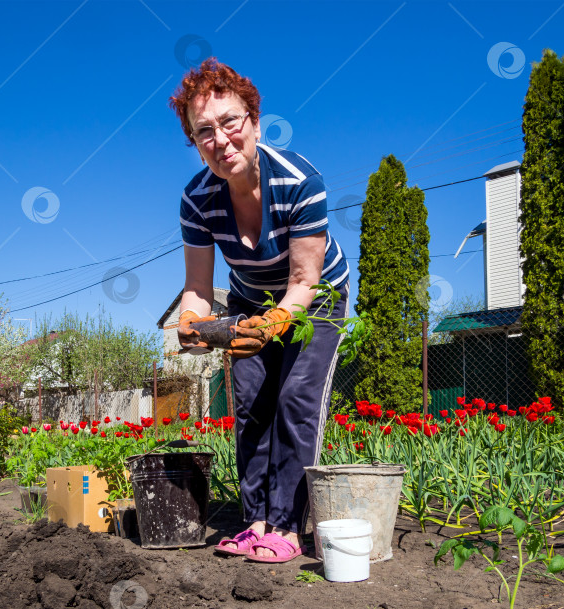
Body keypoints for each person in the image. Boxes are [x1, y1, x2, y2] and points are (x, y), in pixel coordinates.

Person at [169, 58, 349, 563]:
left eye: (230, 122)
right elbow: (199, 288)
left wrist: (274, 326)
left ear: (254, 121)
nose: (221, 140)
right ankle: (256, 522)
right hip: (249, 299)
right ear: (194, 141)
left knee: (294, 398)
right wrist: (192, 323)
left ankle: (289, 528)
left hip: (315, 298)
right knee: (249, 405)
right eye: (204, 131)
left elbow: (303, 280)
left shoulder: (299, 181)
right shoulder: (196, 201)